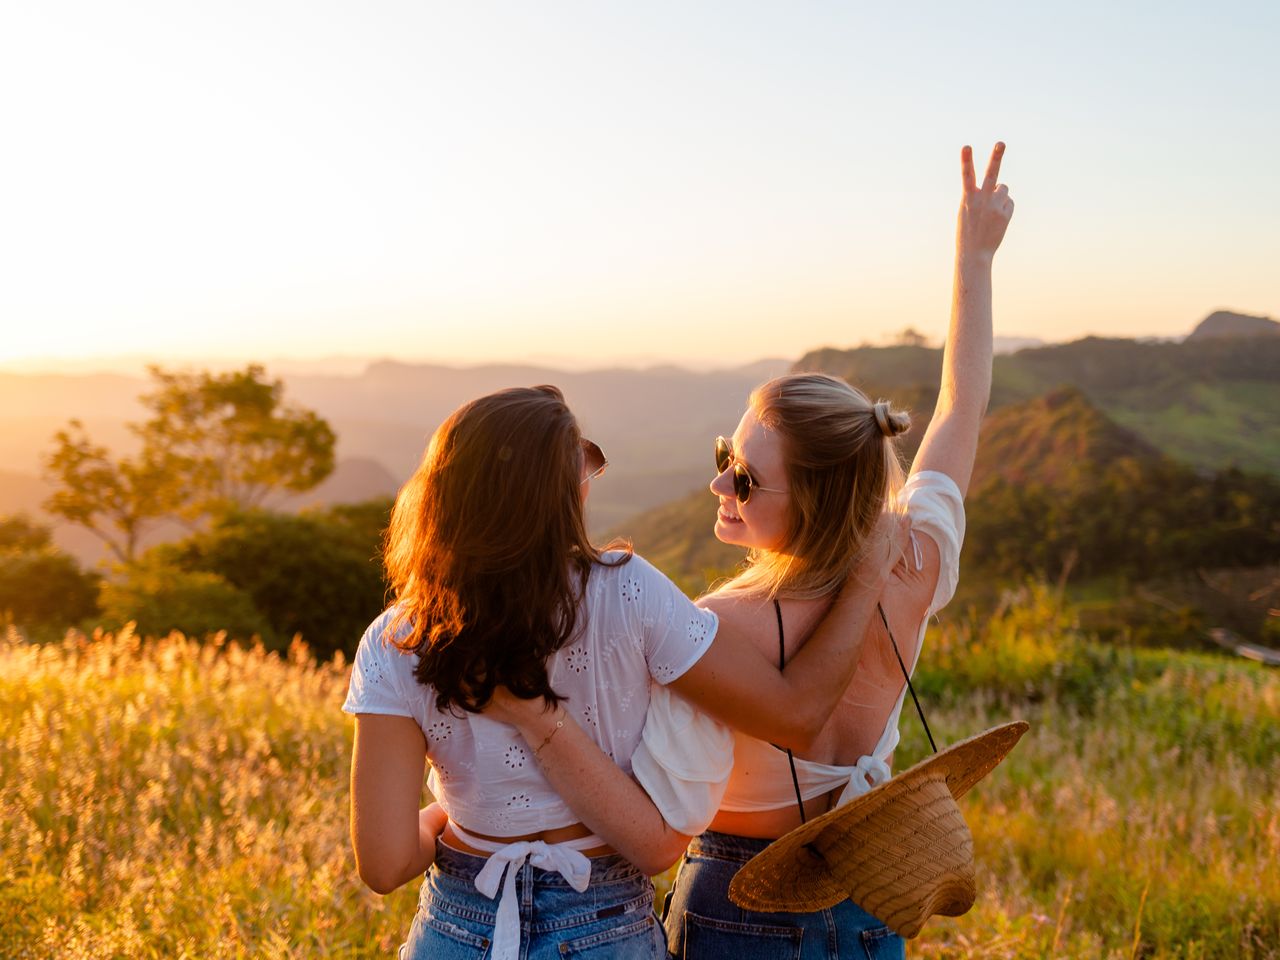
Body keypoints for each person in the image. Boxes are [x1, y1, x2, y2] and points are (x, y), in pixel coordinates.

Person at [483, 142, 1014, 959]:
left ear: (816, 501)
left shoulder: (713, 629)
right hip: (874, 887)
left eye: (745, 480)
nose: (719, 487)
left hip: (741, 903)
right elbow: (960, 408)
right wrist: (973, 259)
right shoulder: (914, 564)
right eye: (725, 454)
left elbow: (647, 813)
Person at [342, 385, 906, 959]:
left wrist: (446, 818)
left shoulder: (395, 640)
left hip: (457, 926)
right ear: (559, 493)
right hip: (603, 924)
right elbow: (796, 715)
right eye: (582, 462)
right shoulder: (630, 592)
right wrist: (864, 576)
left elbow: (385, 865)